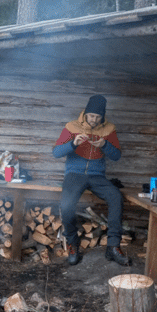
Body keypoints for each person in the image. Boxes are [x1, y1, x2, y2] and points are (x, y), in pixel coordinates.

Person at [53, 94, 131, 267]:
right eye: (91, 116)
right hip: (74, 174)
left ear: (103, 116)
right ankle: (73, 245)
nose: (94, 120)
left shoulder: (109, 129)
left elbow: (117, 156)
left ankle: (113, 246)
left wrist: (104, 145)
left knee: (115, 197)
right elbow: (56, 152)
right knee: (66, 206)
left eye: (98, 117)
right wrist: (73, 143)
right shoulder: (71, 126)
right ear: (86, 113)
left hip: (97, 176)